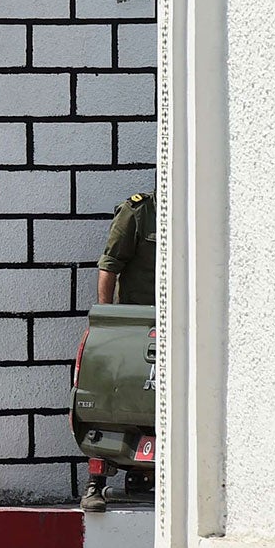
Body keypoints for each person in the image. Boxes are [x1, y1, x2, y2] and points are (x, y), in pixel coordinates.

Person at [82, 187, 157, 513]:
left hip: (185, 325)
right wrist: (107, 322)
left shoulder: (199, 206)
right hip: (137, 326)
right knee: (112, 401)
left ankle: (147, 475)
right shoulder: (139, 212)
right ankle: (96, 479)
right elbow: (109, 265)